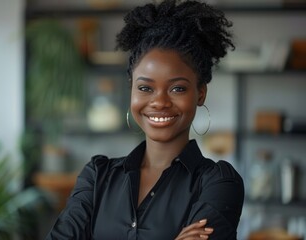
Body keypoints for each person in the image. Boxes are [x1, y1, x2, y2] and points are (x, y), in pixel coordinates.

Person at [45, 0, 244, 239]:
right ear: (132, 90)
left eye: (177, 88)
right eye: (145, 88)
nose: (159, 102)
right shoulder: (97, 177)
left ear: (200, 93)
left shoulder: (219, 185)